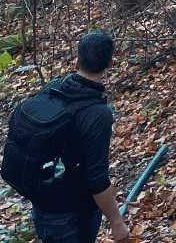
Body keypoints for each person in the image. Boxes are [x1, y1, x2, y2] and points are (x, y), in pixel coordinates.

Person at [30, 31, 132, 243]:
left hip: (41, 205)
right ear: (110, 63)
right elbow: (96, 178)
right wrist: (116, 222)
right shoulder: (98, 114)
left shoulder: (51, 89)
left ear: (76, 62)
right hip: (72, 215)